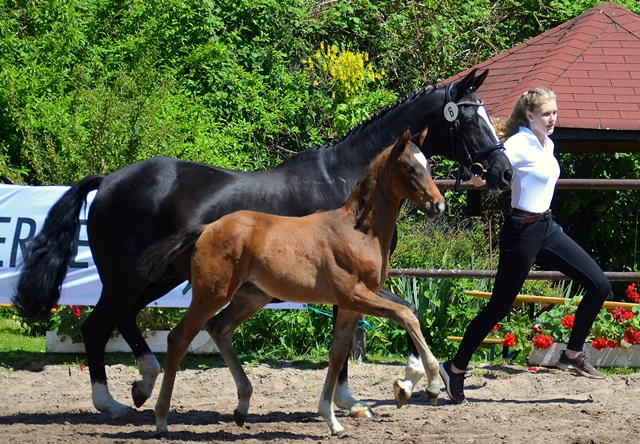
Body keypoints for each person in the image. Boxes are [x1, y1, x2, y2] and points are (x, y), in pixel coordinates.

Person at [439, 87, 612, 404]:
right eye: (546, 114)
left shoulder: (547, 143)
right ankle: (454, 368)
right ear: (529, 115)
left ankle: (573, 353)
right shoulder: (517, 144)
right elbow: (483, 168)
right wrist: (475, 179)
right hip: (522, 231)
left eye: (555, 112)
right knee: (499, 307)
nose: (552, 119)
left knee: (599, 285)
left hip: (547, 227)